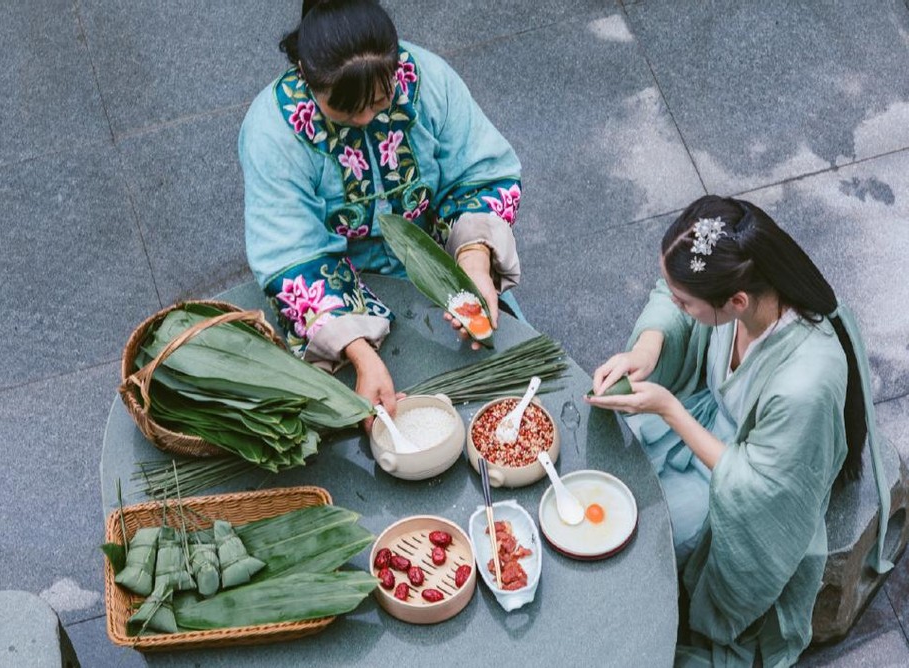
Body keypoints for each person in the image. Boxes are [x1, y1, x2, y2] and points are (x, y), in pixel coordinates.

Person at [587, 195, 892, 666]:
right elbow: (664, 297)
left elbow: (763, 490)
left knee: (652, 531)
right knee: (614, 475)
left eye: (685, 302)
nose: (674, 304)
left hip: (735, 467)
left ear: (736, 301)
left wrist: (670, 410)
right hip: (707, 422)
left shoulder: (804, 381)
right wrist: (648, 350)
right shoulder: (740, 293)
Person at [239, 0, 524, 422]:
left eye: (379, 100)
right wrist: (359, 352)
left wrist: (474, 264)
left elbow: (481, 175)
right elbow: (291, 254)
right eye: (348, 110)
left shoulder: (427, 80)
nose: (368, 118)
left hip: (438, 268)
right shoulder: (273, 132)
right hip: (337, 299)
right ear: (308, 75)